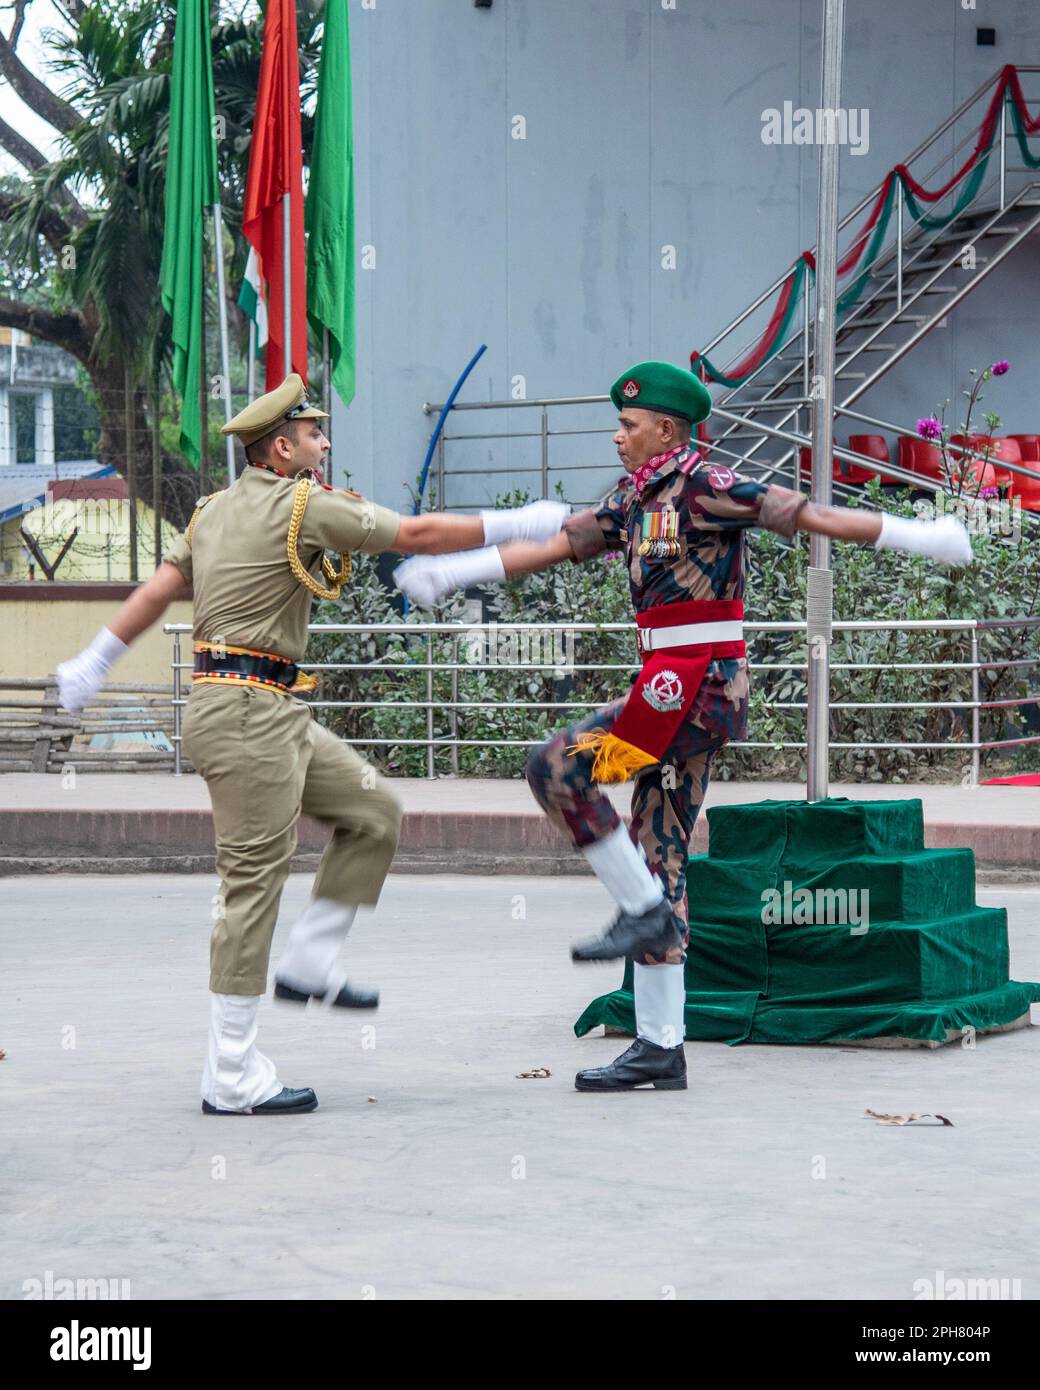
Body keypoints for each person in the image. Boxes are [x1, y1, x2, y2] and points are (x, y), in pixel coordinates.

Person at [395, 360, 971, 1093]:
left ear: (666, 429)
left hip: (695, 688)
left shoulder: (705, 485)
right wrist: (455, 573)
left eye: (629, 426)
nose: (617, 437)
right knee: (658, 851)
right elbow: (556, 543)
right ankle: (660, 1047)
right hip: (670, 689)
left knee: (557, 769)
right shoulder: (637, 499)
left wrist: (919, 537)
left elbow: (804, 513)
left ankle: (639, 913)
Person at [56, 374, 568, 1116]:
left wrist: (97, 657)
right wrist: (517, 522)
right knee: (250, 887)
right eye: (315, 435)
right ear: (280, 447)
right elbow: (416, 534)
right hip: (247, 713)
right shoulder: (303, 503)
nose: (326, 445)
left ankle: (312, 960)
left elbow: (160, 589)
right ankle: (231, 1074)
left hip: (267, 707)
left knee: (374, 814)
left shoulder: (210, 513)